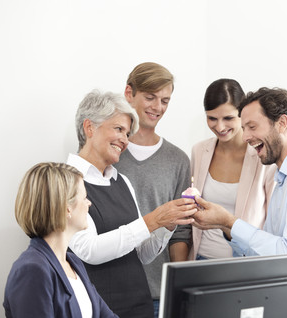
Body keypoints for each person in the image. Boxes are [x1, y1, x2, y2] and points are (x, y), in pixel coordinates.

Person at [192, 87, 287, 316]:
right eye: (244, 128)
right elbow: (268, 252)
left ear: (281, 123)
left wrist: (230, 221)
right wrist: (224, 226)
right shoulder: (283, 177)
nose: (245, 137)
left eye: (252, 127)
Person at [67, 90, 197, 318]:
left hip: (139, 306)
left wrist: (166, 225)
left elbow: (142, 254)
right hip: (98, 308)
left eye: (127, 133)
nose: (125, 141)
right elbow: (88, 250)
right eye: (118, 129)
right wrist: (152, 220)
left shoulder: (121, 181)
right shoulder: (66, 180)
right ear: (89, 128)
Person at [114, 62, 192, 317]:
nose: (158, 107)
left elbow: (181, 232)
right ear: (129, 93)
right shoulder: (111, 151)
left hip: (158, 295)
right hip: (111, 292)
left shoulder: (178, 160)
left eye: (165, 100)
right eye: (150, 97)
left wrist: (178, 291)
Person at [4, 162, 118, 318]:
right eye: (84, 197)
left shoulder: (73, 262)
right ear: (67, 208)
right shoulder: (31, 269)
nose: (89, 203)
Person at [188, 78, 275, 260]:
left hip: (243, 263)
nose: (219, 127)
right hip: (200, 258)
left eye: (228, 118)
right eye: (212, 118)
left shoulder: (263, 157)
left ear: (242, 114)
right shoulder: (199, 151)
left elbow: (273, 222)